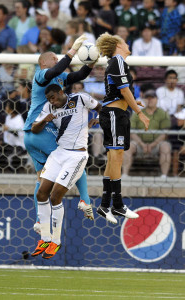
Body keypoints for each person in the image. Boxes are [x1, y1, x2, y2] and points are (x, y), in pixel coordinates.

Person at [23, 34, 96, 233]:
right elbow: (56, 69)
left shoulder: (59, 77)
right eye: (54, 57)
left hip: (30, 135)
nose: (57, 59)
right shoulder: (40, 74)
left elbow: (77, 76)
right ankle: (85, 200)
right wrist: (71, 51)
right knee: (75, 155)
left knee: (42, 177)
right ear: (42, 62)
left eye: (58, 57)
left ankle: (39, 221)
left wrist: (91, 63)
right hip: (42, 130)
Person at [31, 84, 101, 259]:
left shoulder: (80, 98)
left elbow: (102, 107)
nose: (51, 101)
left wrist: (98, 118)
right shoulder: (48, 107)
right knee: (41, 193)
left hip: (76, 156)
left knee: (55, 196)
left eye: (53, 97)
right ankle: (45, 238)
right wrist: (43, 121)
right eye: (49, 99)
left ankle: (56, 240)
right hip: (59, 153)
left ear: (61, 92)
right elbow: (34, 128)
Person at [95, 32, 150, 224]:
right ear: (117, 45)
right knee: (116, 157)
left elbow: (120, 92)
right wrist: (140, 113)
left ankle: (104, 205)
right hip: (113, 114)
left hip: (117, 114)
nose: (127, 43)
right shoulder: (117, 60)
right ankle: (117, 204)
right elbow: (124, 90)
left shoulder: (119, 63)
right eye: (124, 41)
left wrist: (134, 104)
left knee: (114, 158)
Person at [122, 89, 171, 180]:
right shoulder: (137, 113)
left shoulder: (163, 113)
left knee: (166, 147)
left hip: (157, 145)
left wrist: (152, 145)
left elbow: (165, 133)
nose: (150, 100)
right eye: (147, 98)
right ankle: (124, 175)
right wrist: (142, 144)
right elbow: (132, 132)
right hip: (139, 144)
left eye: (152, 98)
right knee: (127, 147)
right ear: (143, 100)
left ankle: (164, 176)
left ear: (156, 99)